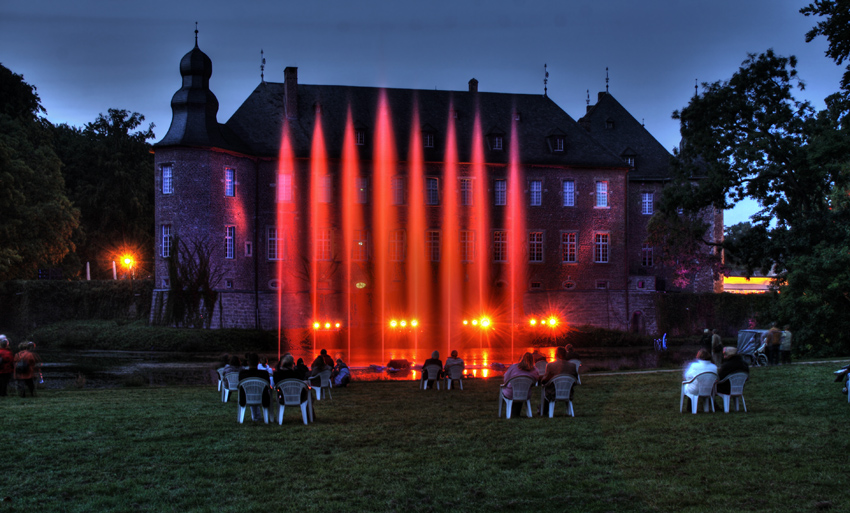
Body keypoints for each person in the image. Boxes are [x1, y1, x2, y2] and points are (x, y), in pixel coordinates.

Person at [539, 346, 578, 415]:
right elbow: (575, 380)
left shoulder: (550, 365)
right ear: (565, 354)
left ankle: (543, 411)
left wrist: (542, 380)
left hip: (553, 393)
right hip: (568, 392)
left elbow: (544, 380)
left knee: (546, 388)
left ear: (556, 355)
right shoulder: (573, 366)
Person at [502, 352, 540, 417]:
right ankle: (515, 412)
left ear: (522, 358)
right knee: (521, 391)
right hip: (525, 393)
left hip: (511, 393)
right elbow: (535, 381)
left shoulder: (513, 367)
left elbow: (506, 379)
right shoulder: (535, 370)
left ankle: (513, 412)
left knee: (513, 391)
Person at [238, 353, 272, 421]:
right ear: (258, 362)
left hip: (245, 398)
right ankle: (258, 416)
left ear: (248, 362)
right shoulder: (264, 374)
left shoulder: (243, 374)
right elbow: (268, 385)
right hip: (263, 398)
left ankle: (256, 416)